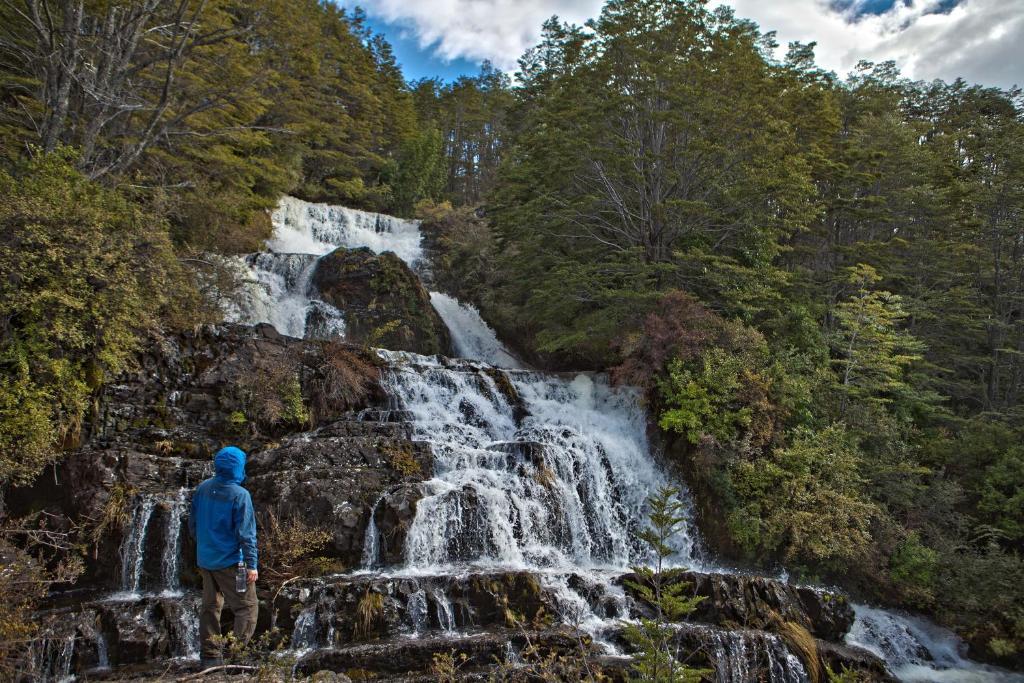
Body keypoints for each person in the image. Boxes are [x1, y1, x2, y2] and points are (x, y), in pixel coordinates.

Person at [188, 446, 258, 668]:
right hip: (232, 563)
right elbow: (247, 535)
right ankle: (236, 657)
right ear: (238, 468)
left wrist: (205, 546)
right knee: (247, 607)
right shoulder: (240, 495)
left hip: (206, 560)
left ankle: (210, 657)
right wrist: (252, 565)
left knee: (210, 606)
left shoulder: (203, 488)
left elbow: (192, 524)